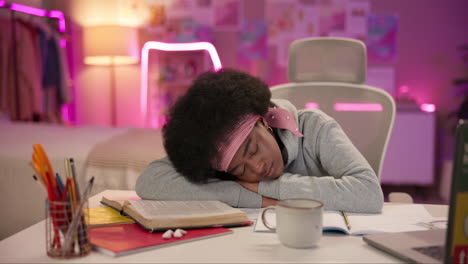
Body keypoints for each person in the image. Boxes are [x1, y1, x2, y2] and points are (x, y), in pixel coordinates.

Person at [136, 68, 384, 213]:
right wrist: (244, 195)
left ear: (263, 121)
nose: (256, 168)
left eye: (253, 149)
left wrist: (264, 188)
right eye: (240, 169)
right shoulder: (212, 155)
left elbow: (368, 193)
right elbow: (150, 181)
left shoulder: (316, 127)